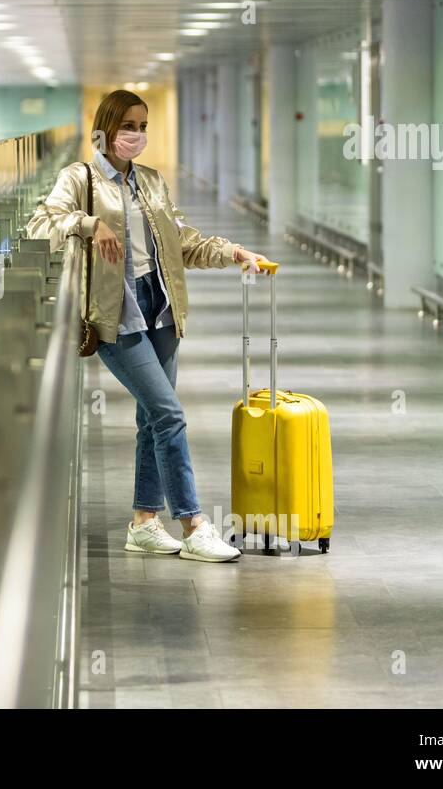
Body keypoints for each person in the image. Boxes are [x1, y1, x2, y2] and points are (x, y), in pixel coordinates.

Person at [27, 89, 267, 562]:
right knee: (169, 413)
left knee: (150, 419)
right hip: (115, 315)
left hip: (160, 310)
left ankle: (143, 521)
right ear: (104, 129)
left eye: (143, 127)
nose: (135, 136)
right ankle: (193, 522)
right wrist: (91, 224)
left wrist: (234, 252)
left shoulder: (152, 182)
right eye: (127, 126)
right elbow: (41, 223)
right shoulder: (80, 178)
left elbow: (184, 243)